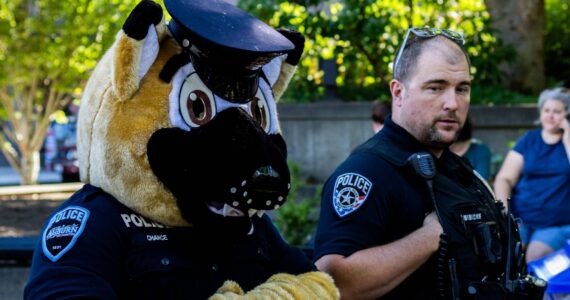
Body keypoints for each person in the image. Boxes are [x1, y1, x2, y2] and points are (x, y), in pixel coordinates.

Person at [314, 27, 544, 299]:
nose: (452, 103)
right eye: (435, 88)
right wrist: (428, 237)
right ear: (398, 93)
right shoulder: (367, 171)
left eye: (462, 89)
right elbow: (332, 280)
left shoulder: (457, 168)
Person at [494, 87, 570, 263]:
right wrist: (505, 214)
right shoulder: (529, 140)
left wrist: (567, 137)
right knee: (505, 253)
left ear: (566, 114)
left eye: (557, 111)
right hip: (522, 218)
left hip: (556, 224)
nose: (551, 116)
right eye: (547, 110)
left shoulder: (568, 142)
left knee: (535, 256)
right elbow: (504, 179)